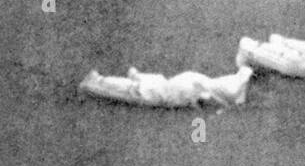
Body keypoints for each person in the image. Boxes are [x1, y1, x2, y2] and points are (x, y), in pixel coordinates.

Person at [78, 65, 253, 108]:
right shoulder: (208, 87)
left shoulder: (208, 86)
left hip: (170, 88)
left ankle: (96, 82)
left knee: (132, 89)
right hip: (171, 87)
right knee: (137, 87)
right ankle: (97, 82)